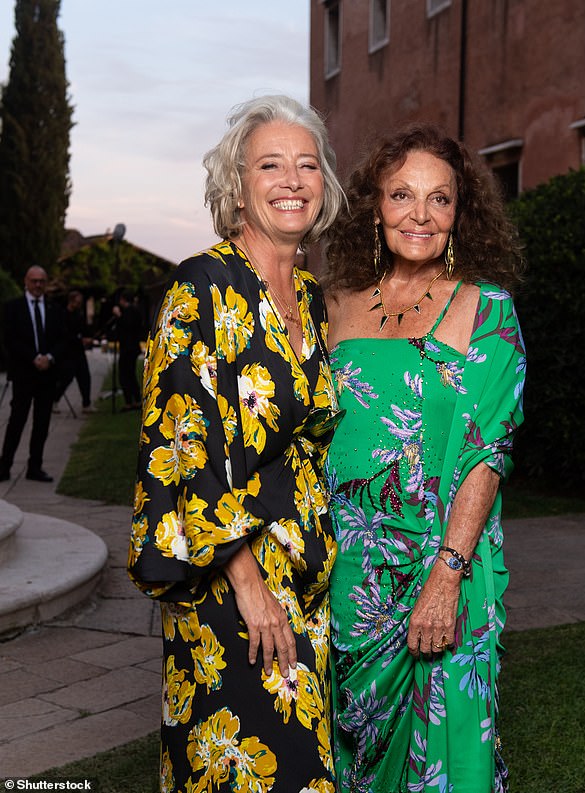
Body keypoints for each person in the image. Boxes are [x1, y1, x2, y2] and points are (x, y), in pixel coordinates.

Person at [127, 95, 345, 793]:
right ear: (238, 186)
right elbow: (180, 443)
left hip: (307, 576)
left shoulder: (310, 297)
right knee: (247, 764)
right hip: (231, 578)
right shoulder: (202, 285)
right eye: (271, 164)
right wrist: (248, 587)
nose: (292, 180)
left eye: (307, 165)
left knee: (302, 764)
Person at [323, 123, 526, 793]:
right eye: (402, 194)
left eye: (440, 199)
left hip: (444, 566)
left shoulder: (486, 308)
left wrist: (447, 574)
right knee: (349, 749)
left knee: (443, 754)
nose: (420, 214)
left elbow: (486, 453)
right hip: (346, 571)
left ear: (460, 213)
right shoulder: (333, 304)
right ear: (373, 205)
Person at [0, 266, 67, 482]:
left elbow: (62, 339)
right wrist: (33, 357)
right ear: (26, 282)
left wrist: (50, 357)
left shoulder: (54, 309)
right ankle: (4, 466)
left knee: (42, 422)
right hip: (24, 373)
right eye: (34, 281)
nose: (38, 285)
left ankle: (35, 467)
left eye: (42, 281)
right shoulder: (13, 308)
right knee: (17, 420)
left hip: (47, 374)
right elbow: (10, 339)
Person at [53, 289, 96, 413]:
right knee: (66, 378)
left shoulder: (79, 315)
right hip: (67, 353)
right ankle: (55, 399)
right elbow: (64, 334)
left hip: (79, 352)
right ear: (71, 301)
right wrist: (80, 339)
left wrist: (88, 337)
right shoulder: (63, 315)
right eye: (77, 302)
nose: (79, 304)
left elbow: (84, 329)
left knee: (85, 377)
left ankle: (86, 404)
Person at [112, 290, 143, 410]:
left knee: (125, 374)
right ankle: (135, 399)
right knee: (129, 374)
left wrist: (119, 316)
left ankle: (130, 401)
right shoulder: (134, 311)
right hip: (131, 347)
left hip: (129, 347)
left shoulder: (130, 312)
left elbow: (127, 325)